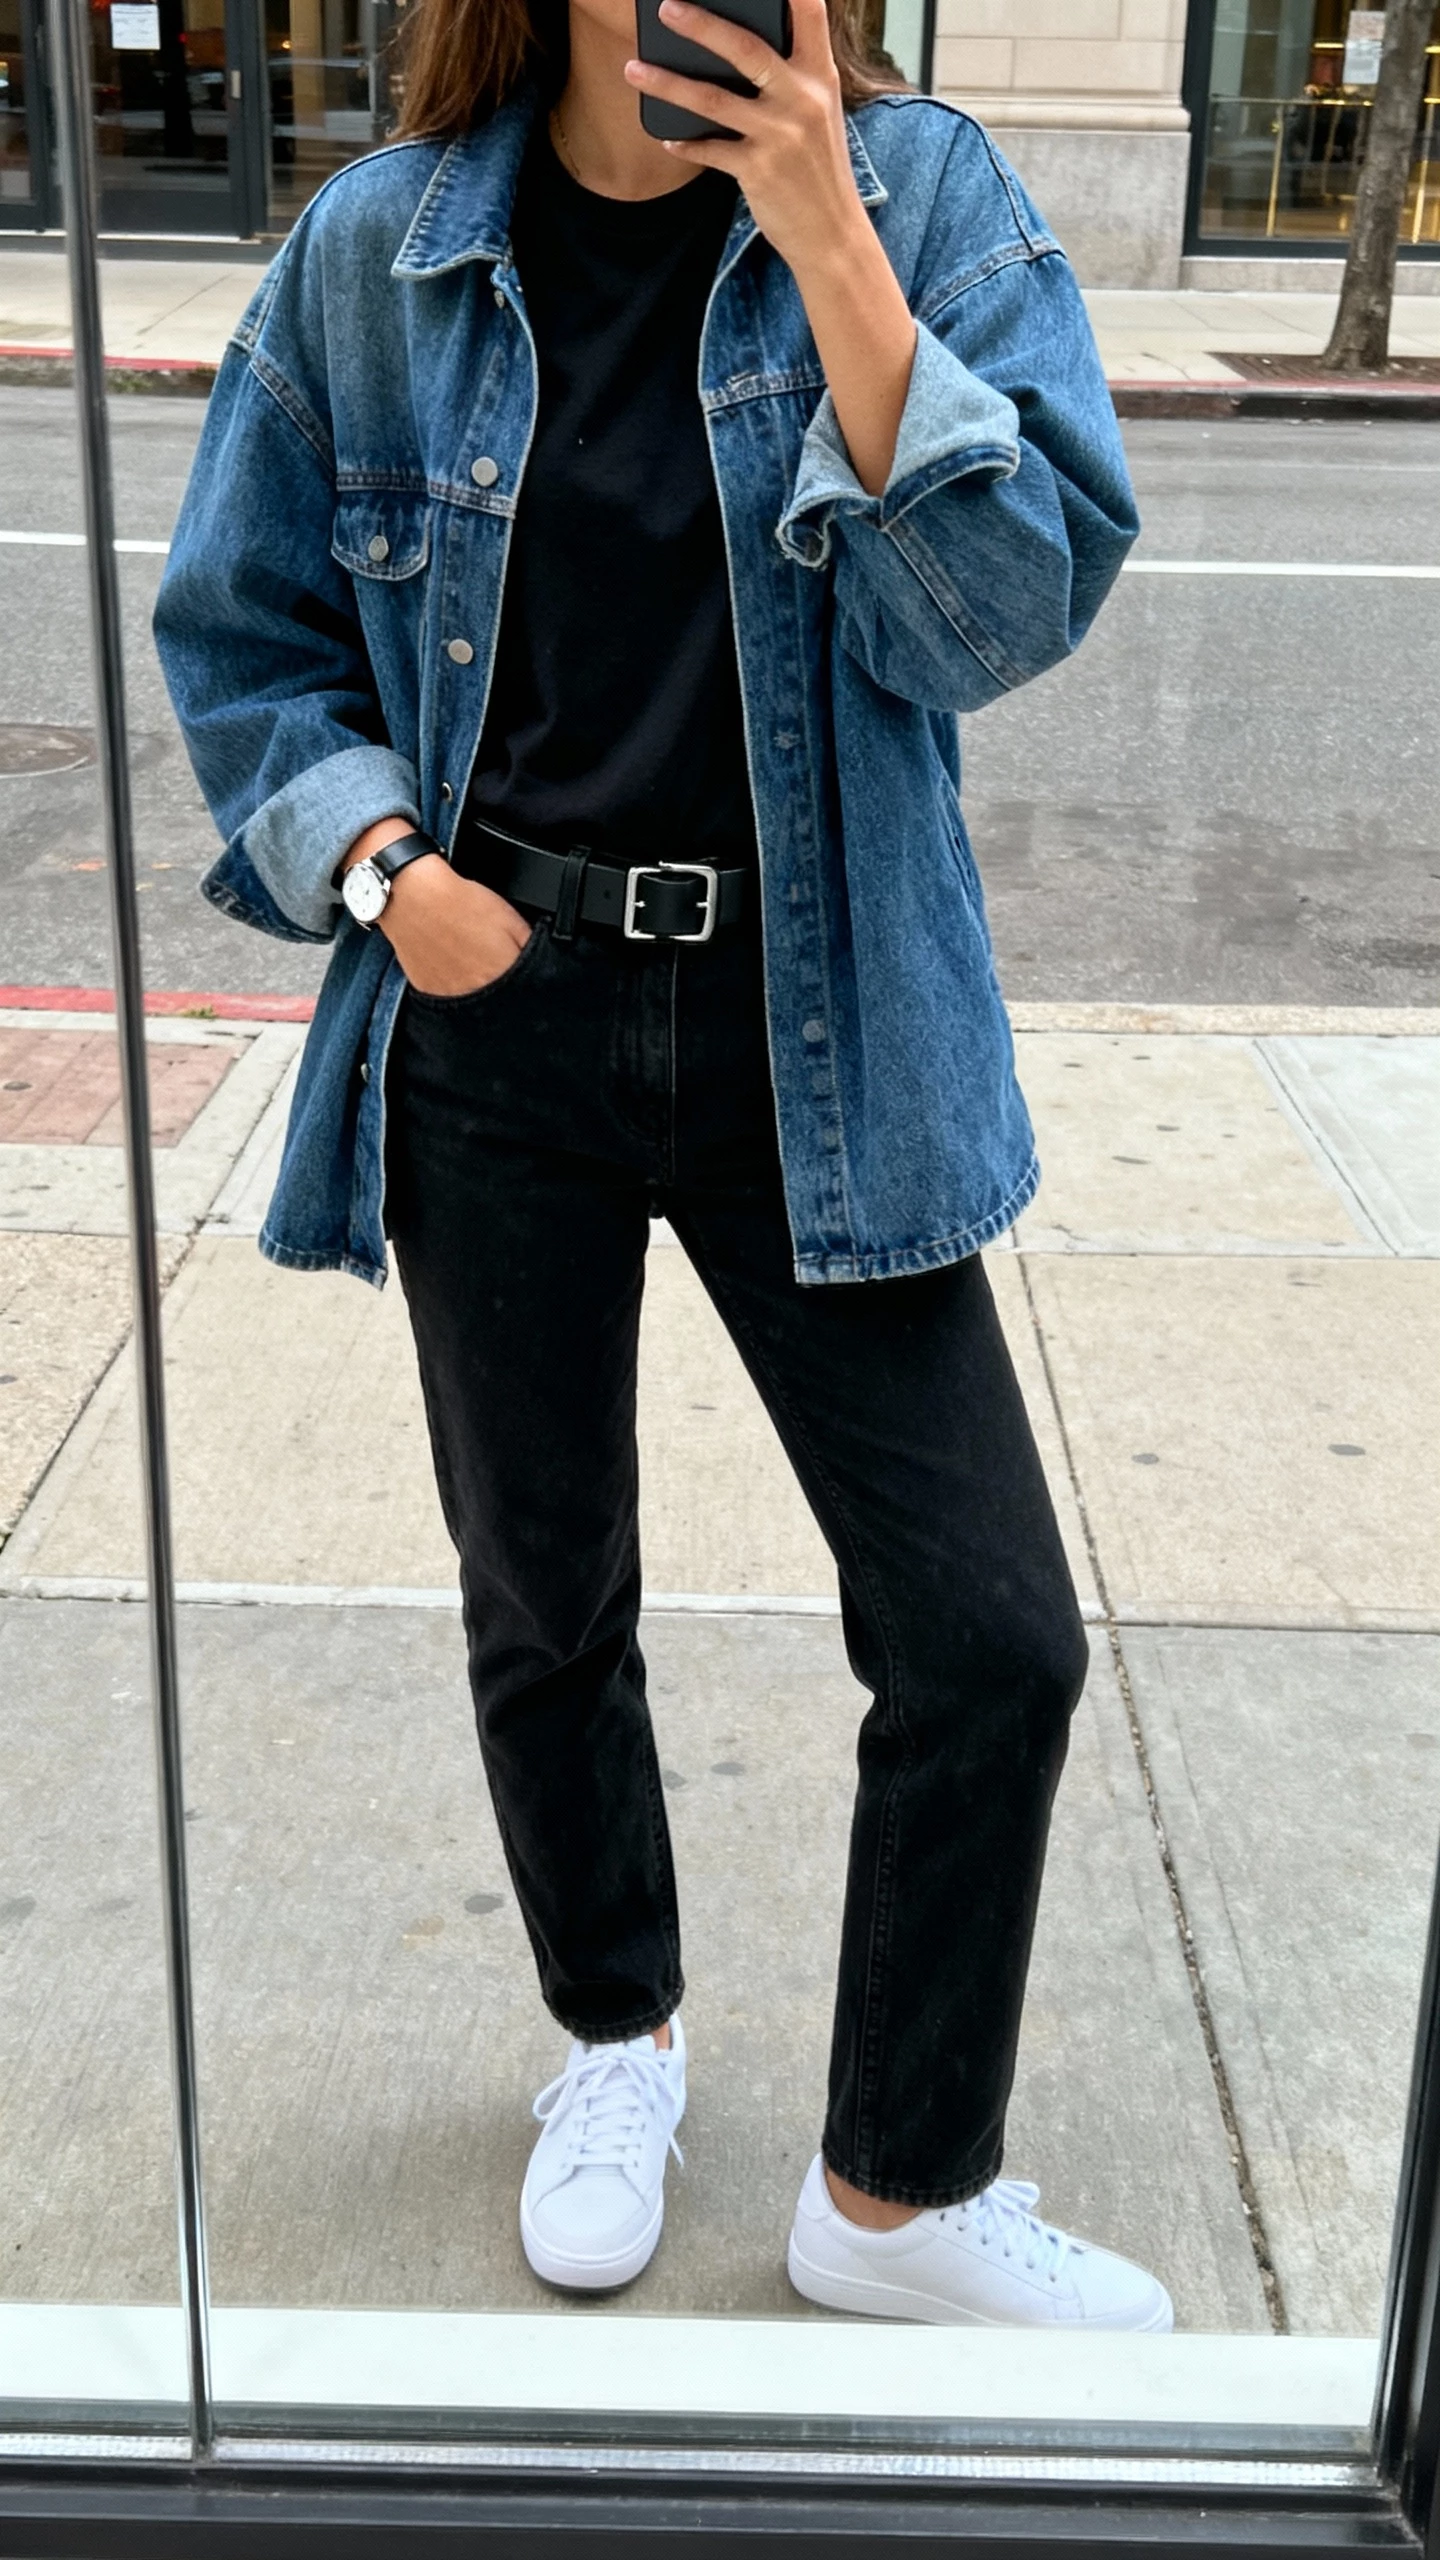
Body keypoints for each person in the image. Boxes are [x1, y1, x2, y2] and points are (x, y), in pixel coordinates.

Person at [154, 0, 1169, 2330]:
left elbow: (1005, 620)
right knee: (547, 1594)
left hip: (812, 1015)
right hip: (492, 1010)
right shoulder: (376, 253)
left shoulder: (927, 204)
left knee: (988, 1629)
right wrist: (383, 862)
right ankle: (615, 2033)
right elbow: (243, 636)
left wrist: (835, 256)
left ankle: (893, 2193)